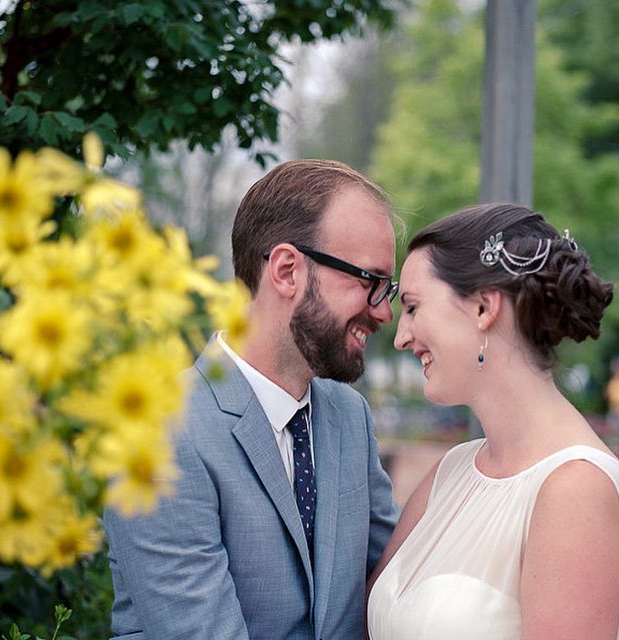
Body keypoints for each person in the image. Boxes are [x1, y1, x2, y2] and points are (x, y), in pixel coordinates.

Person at [104, 159, 401, 640]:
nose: (384, 311)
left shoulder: (349, 416)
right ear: (286, 271)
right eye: (369, 282)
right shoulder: (159, 431)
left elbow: (397, 580)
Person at [367, 203, 619, 639]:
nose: (401, 336)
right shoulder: (450, 472)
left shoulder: (576, 490)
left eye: (413, 307)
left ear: (483, 308)